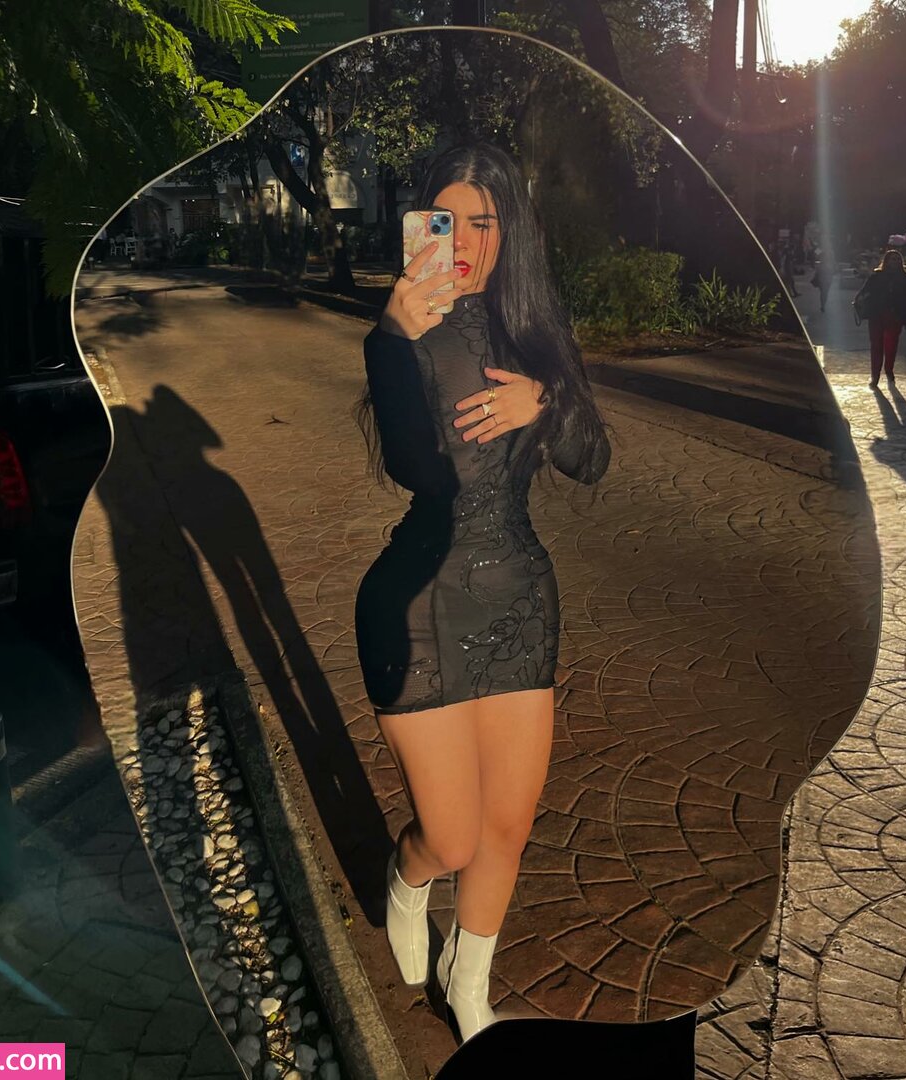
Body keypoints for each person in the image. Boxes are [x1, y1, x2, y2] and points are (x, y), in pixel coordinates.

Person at [354, 143, 610, 1043]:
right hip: (419, 605)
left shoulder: (536, 335)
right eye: (442, 220)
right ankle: (409, 878)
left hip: (520, 603)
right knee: (453, 838)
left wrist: (548, 403)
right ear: (416, 226)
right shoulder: (404, 333)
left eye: (481, 222)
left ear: (510, 233)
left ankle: (468, 989)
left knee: (506, 827)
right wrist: (394, 343)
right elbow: (417, 469)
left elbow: (591, 460)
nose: (460, 241)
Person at [854, 248, 906, 389]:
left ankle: (889, 370)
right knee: (876, 345)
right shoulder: (876, 276)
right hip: (876, 315)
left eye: (898, 259)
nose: (895, 262)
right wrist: (859, 301)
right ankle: (875, 376)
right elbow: (864, 291)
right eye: (892, 259)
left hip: (895, 316)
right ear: (886, 261)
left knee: (891, 346)